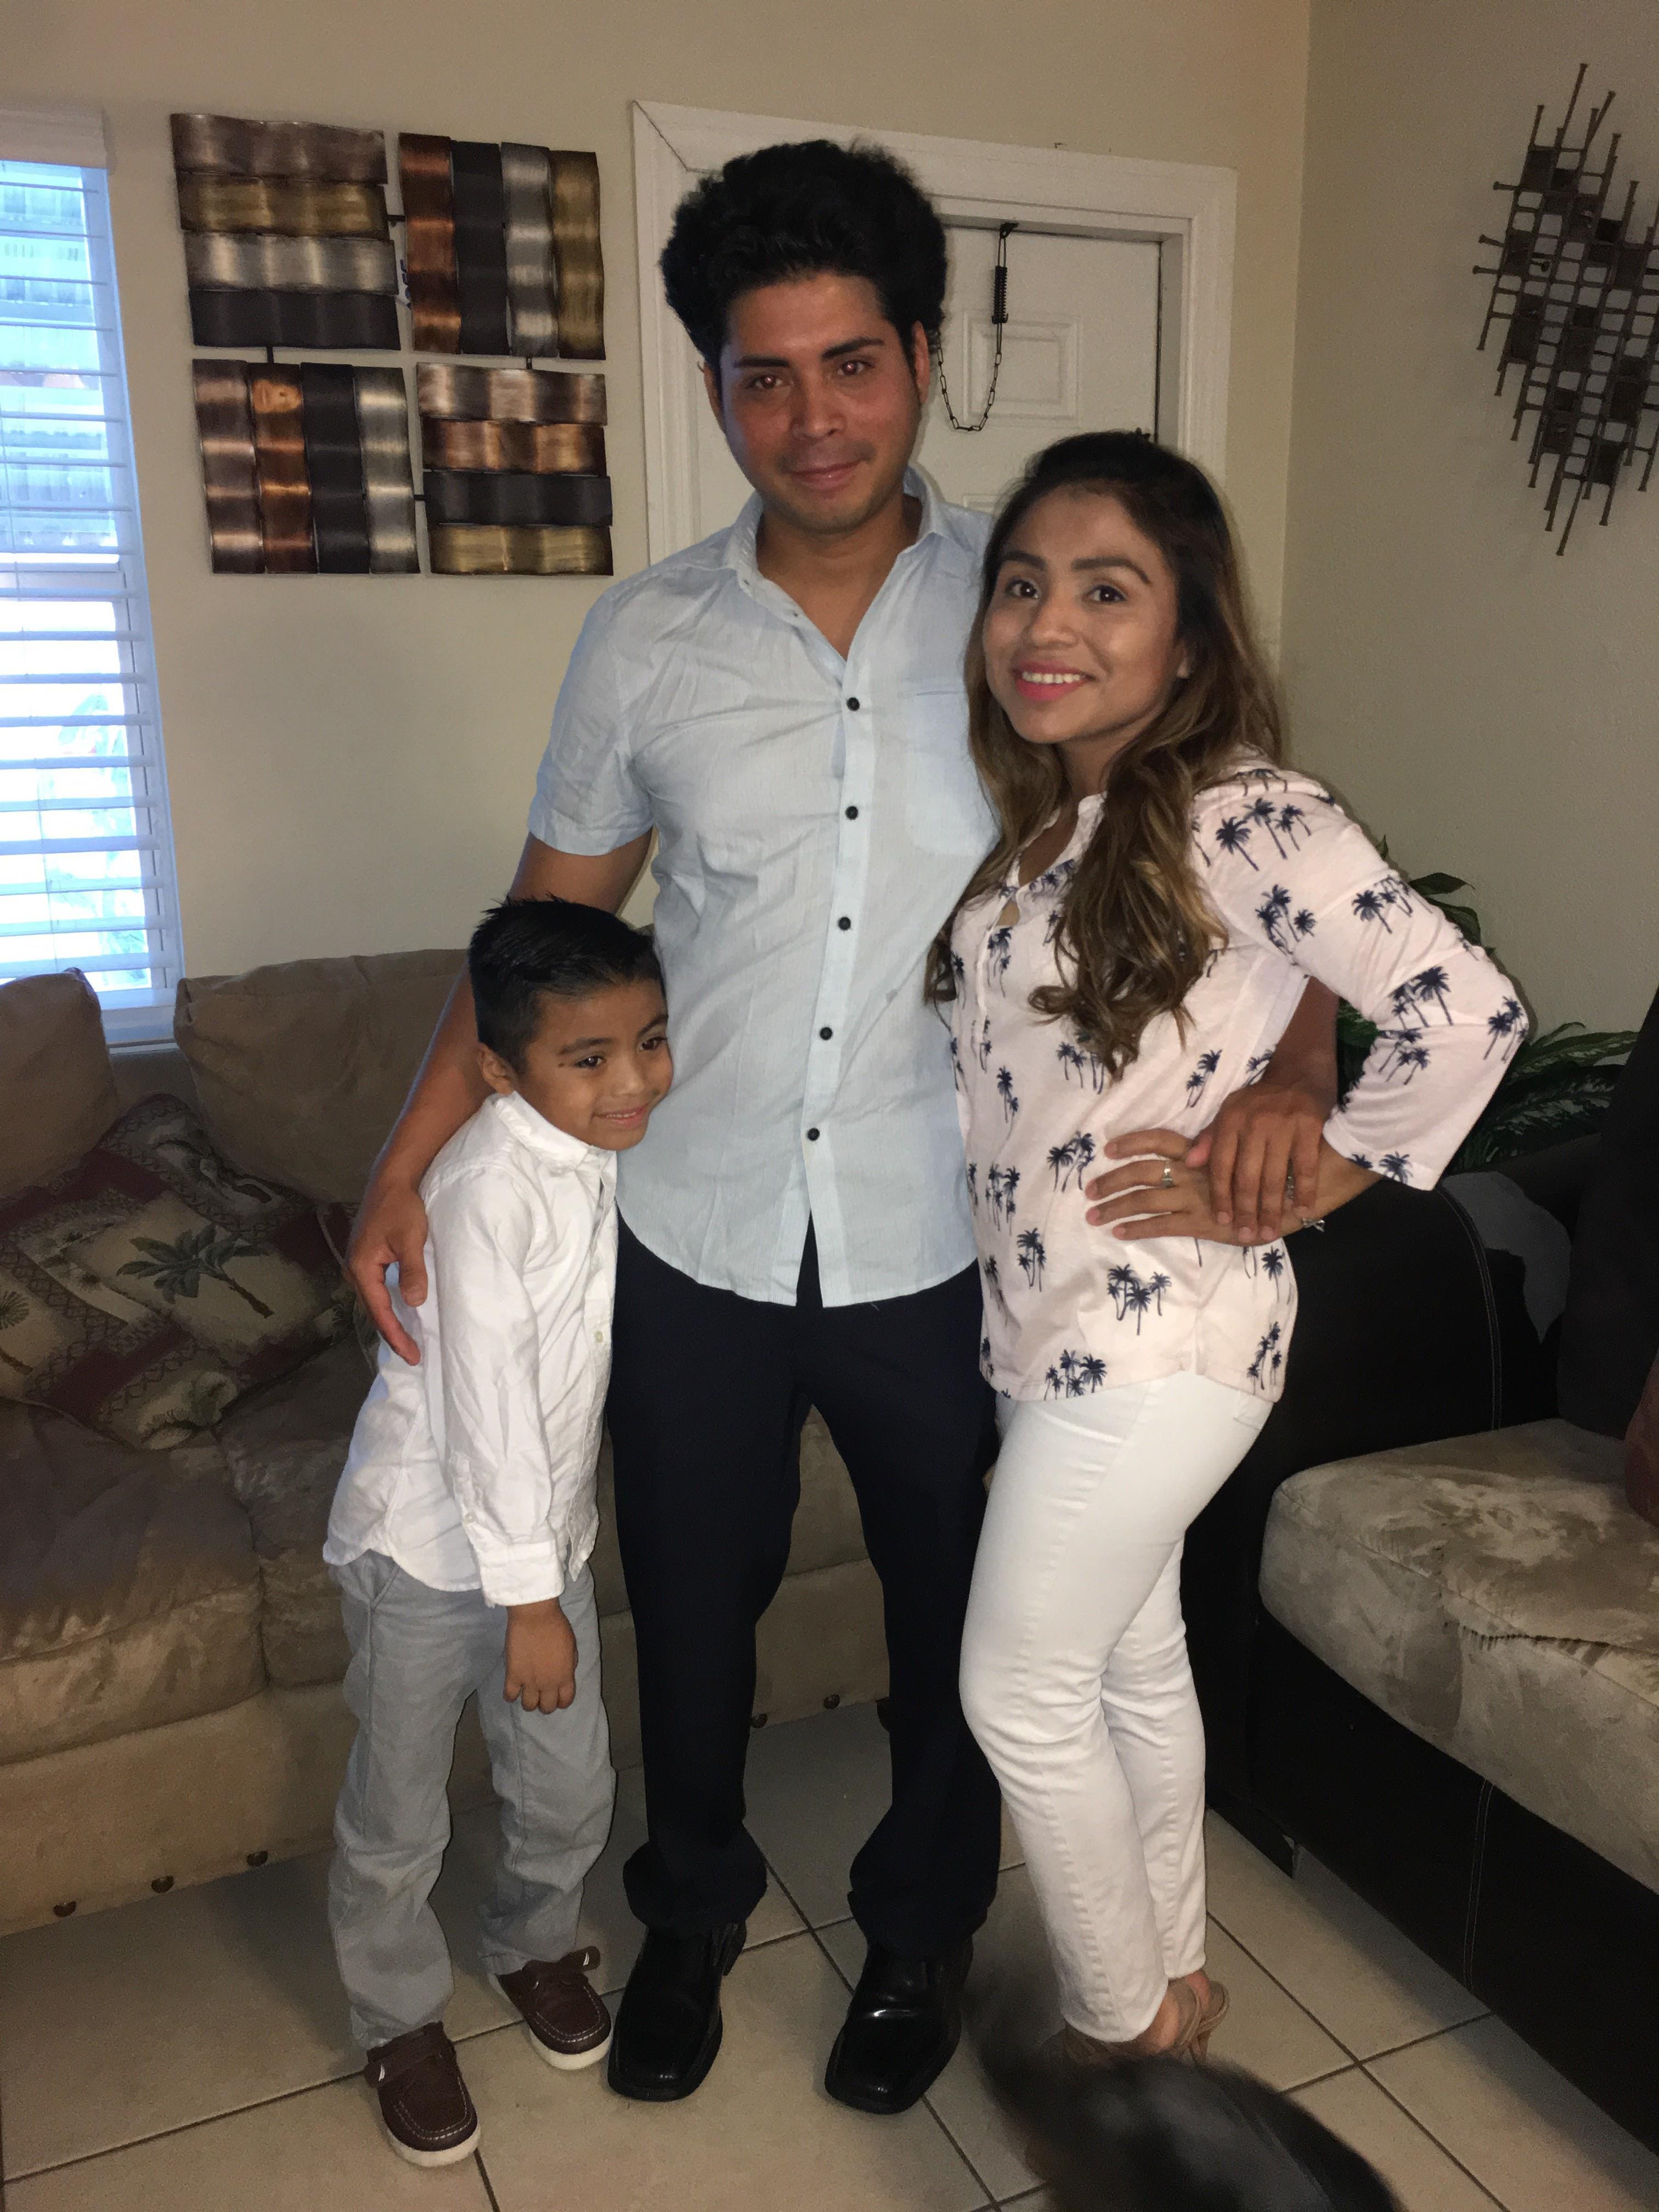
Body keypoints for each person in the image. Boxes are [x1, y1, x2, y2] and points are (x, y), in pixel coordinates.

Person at [346, 140, 1339, 2114]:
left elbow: (1251, 847)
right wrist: (397, 1160)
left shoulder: (1030, 611)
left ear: (921, 356)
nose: (812, 417)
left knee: (957, 1627)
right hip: (697, 1228)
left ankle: (917, 1932)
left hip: (956, 1240)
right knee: (689, 1616)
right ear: (714, 384)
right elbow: (545, 922)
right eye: (763, 373)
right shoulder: (646, 641)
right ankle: (692, 1911)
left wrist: (1303, 1075)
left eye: (851, 363)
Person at [938, 431, 1522, 2067]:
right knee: (1129, 1662)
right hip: (1056, 1335)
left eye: (1105, 590)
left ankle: (1123, 2031)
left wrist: (1324, 1171)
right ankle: (1179, 1978)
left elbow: (1466, 1010)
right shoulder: (1061, 824)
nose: (1047, 622)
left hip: (1163, 1338)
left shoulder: (1237, 804)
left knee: (1018, 1692)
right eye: (1023, 584)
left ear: (1187, 637)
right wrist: (1293, 1055)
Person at [324, 898, 672, 2166]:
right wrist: (531, 1603)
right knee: (402, 1809)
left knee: (567, 1777)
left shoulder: (599, 1151)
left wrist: (545, 1575)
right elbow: (486, 1418)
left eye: (651, 1041)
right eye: (590, 1058)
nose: (632, 1081)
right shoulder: (481, 1190)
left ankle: (532, 1942)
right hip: (428, 1551)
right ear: (497, 1068)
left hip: (541, 1544)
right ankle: (398, 2018)